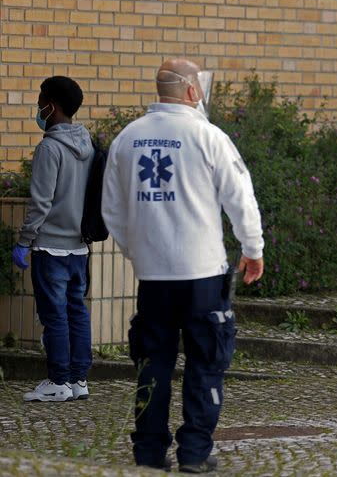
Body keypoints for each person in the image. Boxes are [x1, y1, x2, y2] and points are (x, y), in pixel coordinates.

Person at [101, 59, 264, 472]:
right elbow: (239, 197)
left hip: (153, 277)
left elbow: (112, 211)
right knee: (206, 361)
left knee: (152, 364)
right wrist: (253, 248)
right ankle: (194, 453)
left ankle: (149, 454)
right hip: (202, 273)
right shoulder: (207, 136)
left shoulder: (127, 138)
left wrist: (139, 252)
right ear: (193, 91)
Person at [11, 76, 94, 403]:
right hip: (79, 247)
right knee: (77, 311)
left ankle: (58, 381)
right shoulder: (87, 145)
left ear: (52, 107)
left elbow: (41, 201)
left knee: (55, 316)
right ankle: (78, 380)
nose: (38, 108)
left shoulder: (49, 148)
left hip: (50, 247)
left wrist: (23, 240)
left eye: (40, 102)